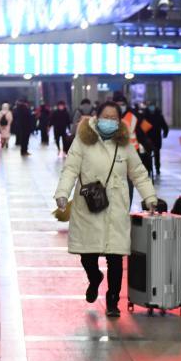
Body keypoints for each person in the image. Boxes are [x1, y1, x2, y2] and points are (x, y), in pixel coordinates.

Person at [54, 101, 158, 317]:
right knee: (87, 254)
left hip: (116, 205)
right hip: (88, 204)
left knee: (115, 256)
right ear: (96, 116)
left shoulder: (124, 143)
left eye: (114, 118)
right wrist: (62, 193)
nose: (109, 121)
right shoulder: (83, 140)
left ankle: (113, 301)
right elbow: (71, 168)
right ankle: (94, 278)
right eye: (106, 116)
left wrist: (149, 196)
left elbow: (138, 172)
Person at [143, 102, 169, 181]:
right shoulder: (145, 115)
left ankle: (157, 168)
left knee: (157, 154)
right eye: (150, 106)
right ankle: (148, 169)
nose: (152, 107)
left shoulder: (159, 115)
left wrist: (165, 132)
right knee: (147, 155)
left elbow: (164, 125)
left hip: (157, 138)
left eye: (153, 106)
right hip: (147, 139)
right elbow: (141, 127)